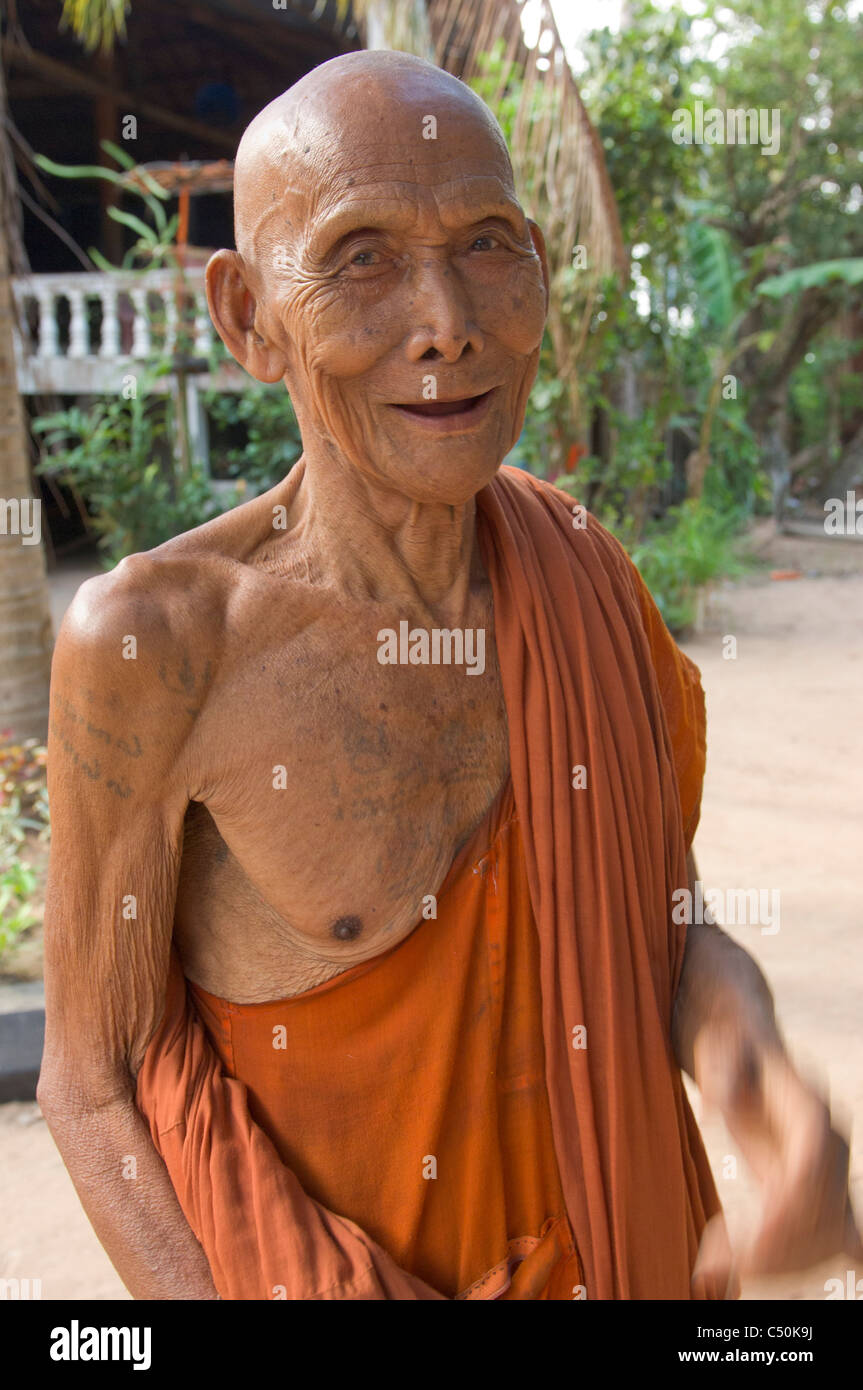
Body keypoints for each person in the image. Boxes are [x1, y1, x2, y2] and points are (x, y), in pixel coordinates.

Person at [38, 50, 860, 1300]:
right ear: (248, 316)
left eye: (485, 243)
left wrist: (772, 1108)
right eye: (361, 255)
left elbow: (667, 929)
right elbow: (92, 1080)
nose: (447, 322)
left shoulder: (579, 575)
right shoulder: (158, 645)